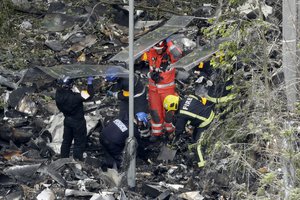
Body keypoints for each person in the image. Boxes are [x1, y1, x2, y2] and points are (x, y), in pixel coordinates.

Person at [141, 39, 182, 137]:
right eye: (156, 49)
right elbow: (140, 62)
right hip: (153, 90)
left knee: (169, 112)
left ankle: (171, 132)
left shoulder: (170, 53)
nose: (158, 51)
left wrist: (169, 41)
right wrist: (149, 75)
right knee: (155, 112)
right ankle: (157, 133)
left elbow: (178, 55)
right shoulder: (151, 51)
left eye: (160, 49)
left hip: (167, 90)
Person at [55, 75, 94, 161]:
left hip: (67, 120)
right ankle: (77, 160)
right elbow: (90, 95)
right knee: (79, 142)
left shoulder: (58, 94)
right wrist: (89, 82)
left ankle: (63, 159)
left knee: (66, 141)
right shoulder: (75, 97)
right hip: (78, 122)